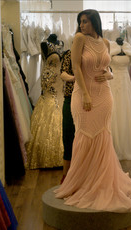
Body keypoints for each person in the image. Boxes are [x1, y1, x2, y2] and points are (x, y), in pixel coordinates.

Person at [54, 9, 131, 213]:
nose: (82, 25)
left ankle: (101, 182)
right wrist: (86, 94)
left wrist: (110, 76)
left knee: (103, 136)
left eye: (86, 21)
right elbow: (76, 67)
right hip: (83, 94)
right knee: (83, 136)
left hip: (104, 96)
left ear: (95, 22)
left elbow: (109, 68)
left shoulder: (105, 43)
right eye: (80, 21)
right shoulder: (79, 39)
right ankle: (82, 183)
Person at [25, 34, 65, 169]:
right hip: (50, 79)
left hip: (60, 81)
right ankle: (49, 156)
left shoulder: (61, 43)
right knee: (50, 105)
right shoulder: (45, 44)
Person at [109, 36, 131, 160]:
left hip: (125, 81)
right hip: (113, 80)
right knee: (114, 110)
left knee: (124, 111)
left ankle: (125, 146)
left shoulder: (128, 47)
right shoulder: (110, 47)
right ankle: (112, 148)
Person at [59, 48, 76, 183]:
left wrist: (109, 74)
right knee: (68, 135)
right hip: (71, 97)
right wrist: (76, 79)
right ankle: (66, 175)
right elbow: (63, 73)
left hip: (89, 100)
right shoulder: (70, 53)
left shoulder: (91, 52)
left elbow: (107, 68)